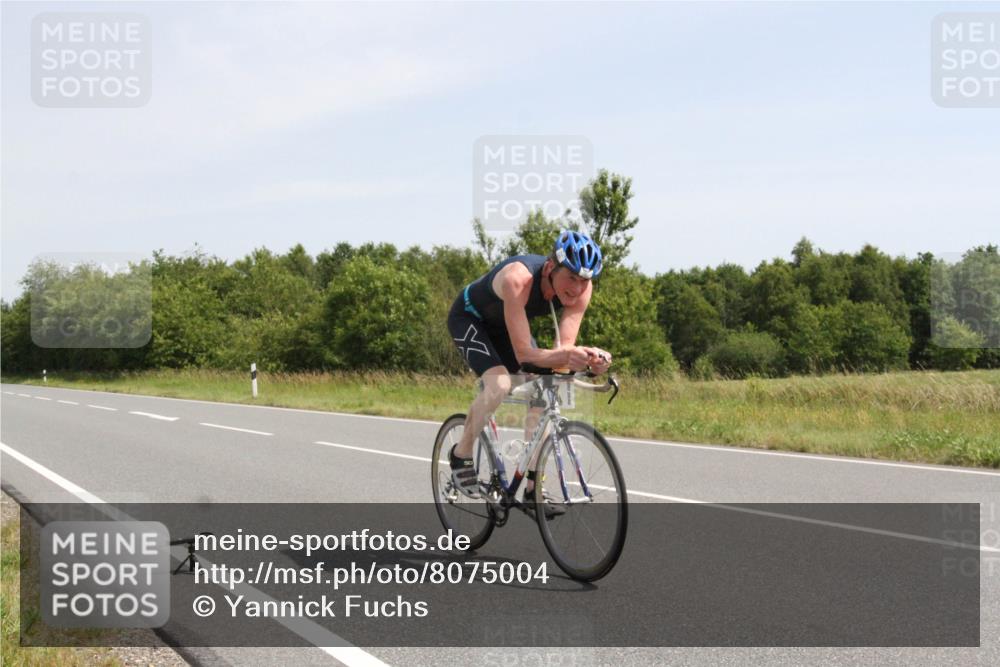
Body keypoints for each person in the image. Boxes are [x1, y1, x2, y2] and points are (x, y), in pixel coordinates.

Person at [446, 229, 612, 513]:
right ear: (550, 267)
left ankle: (534, 487)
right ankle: (461, 454)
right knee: (498, 383)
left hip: (506, 326)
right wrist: (567, 356)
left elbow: (562, 353)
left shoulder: (582, 291)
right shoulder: (518, 279)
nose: (577, 288)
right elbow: (524, 354)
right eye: (571, 277)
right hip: (470, 319)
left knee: (544, 389)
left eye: (585, 280)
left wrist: (589, 360)